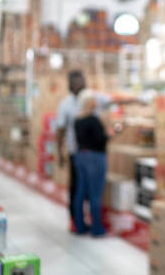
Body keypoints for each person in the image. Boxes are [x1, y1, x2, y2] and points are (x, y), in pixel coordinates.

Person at [55, 71, 111, 232]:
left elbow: (111, 101)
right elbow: (60, 131)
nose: (80, 85)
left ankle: (83, 222)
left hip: (82, 155)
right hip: (79, 153)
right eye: (76, 82)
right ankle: (77, 221)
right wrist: (60, 153)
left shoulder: (93, 98)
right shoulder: (65, 105)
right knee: (78, 189)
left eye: (82, 81)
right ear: (70, 85)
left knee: (83, 190)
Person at [72, 89, 110, 236]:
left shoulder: (77, 120)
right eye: (93, 99)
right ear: (88, 102)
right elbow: (101, 139)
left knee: (80, 192)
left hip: (80, 157)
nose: (96, 102)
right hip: (95, 158)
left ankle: (80, 226)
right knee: (95, 194)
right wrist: (112, 132)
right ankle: (97, 228)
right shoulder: (93, 120)